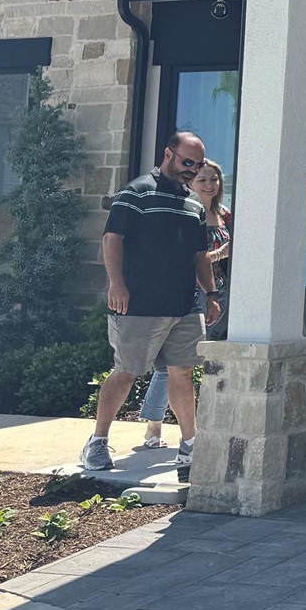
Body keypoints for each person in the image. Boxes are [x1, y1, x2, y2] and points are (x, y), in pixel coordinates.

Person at [80, 133, 215, 473]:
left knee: (182, 372)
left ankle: (189, 446)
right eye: (188, 163)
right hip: (139, 304)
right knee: (127, 372)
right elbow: (112, 238)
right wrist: (117, 284)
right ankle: (97, 443)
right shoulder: (136, 192)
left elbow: (200, 254)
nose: (192, 170)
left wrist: (210, 294)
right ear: (168, 154)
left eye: (198, 165)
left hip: (184, 305)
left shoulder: (194, 203)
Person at [139, 160, 230, 448]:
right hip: (188, 292)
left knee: (203, 364)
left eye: (214, 180)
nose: (209, 185)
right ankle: (154, 427)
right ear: (191, 182)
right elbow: (184, 256)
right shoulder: (185, 212)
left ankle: (197, 427)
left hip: (220, 293)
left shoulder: (224, 215)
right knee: (172, 365)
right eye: (202, 179)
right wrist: (219, 254)